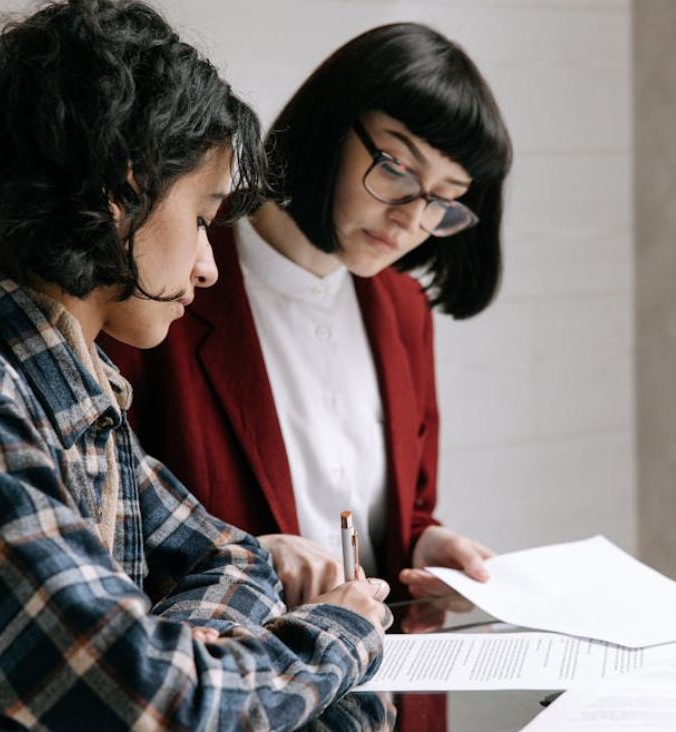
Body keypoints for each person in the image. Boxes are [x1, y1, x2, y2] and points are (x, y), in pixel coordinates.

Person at [0, 1, 390, 732]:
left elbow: (234, 558)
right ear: (120, 194)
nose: (206, 266)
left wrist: (183, 648)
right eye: (201, 217)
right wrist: (339, 630)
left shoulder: (74, 388)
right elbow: (156, 709)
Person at [102, 20, 512, 616]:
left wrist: (425, 541)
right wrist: (248, 556)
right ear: (329, 124)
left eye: (443, 199)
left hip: (386, 678)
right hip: (240, 683)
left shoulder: (404, 310)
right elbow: (106, 525)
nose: (410, 220)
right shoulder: (169, 282)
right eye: (398, 169)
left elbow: (403, 506)